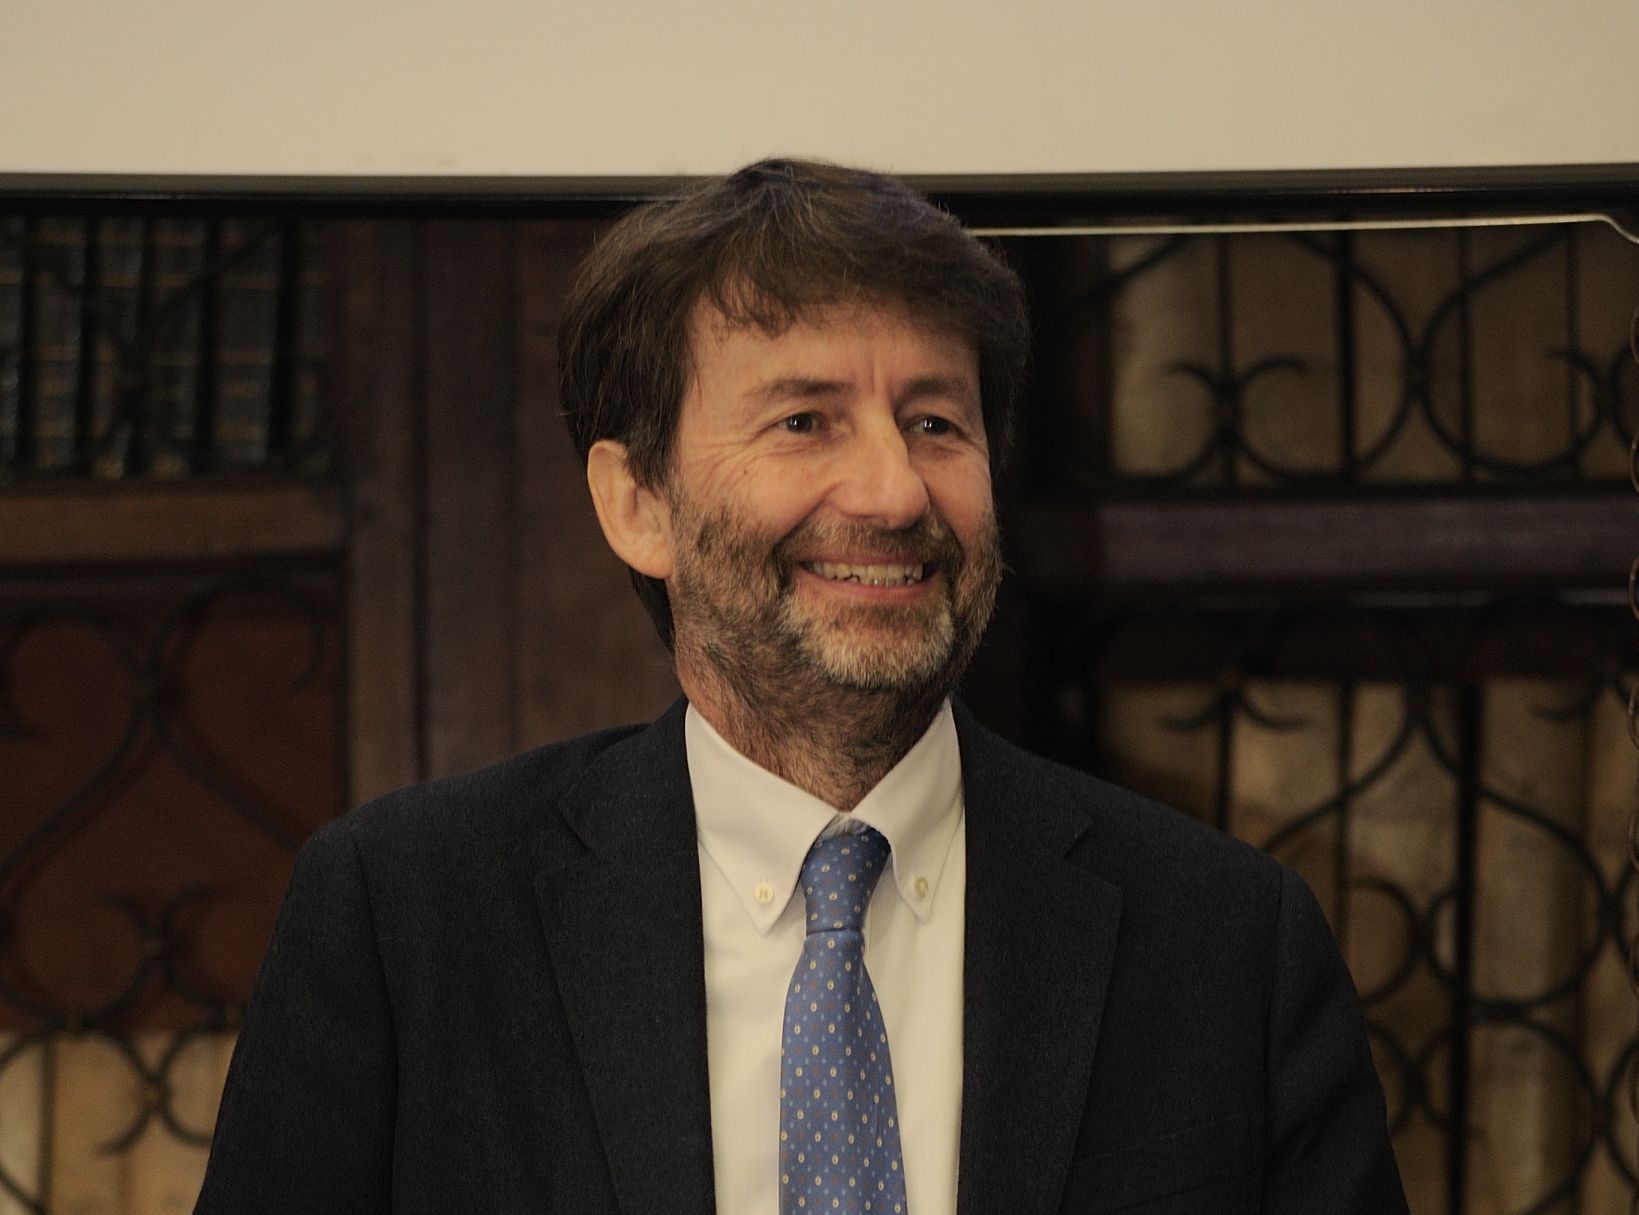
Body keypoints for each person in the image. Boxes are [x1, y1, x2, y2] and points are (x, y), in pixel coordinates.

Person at [196, 159, 1408, 1215]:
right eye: (804, 422)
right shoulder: (406, 920)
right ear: (637, 503)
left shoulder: (1225, 943)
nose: (894, 492)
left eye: (935, 423)